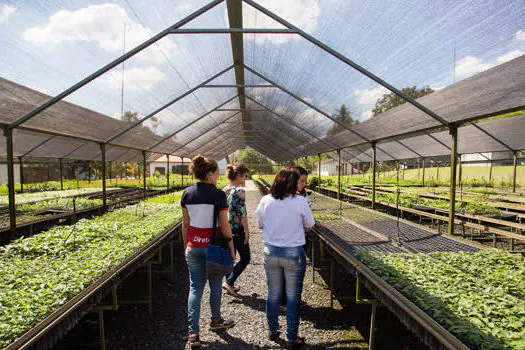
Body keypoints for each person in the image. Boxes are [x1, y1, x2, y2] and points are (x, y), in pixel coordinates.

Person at [256, 166, 315, 349]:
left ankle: (273, 330)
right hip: (293, 254)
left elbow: (260, 224)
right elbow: (310, 225)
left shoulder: (266, 200)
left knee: (273, 293)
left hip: (271, 252)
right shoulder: (299, 201)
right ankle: (291, 337)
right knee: (292, 297)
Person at [181, 155, 236, 348]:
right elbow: (224, 225)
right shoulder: (218, 195)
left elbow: (185, 224)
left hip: (193, 246)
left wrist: (185, 246)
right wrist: (231, 247)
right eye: (216, 174)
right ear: (210, 173)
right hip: (212, 247)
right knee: (214, 284)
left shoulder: (187, 194)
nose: (218, 177)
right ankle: (216, 321)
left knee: (195, 288)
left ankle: (193, 334)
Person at [280, 166, 309, 311]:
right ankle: (288, 303)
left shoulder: (300, 196)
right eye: (302, 181)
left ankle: (287, 301)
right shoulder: (296, 199)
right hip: (293, 242)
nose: (305, 184)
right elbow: (308, 223)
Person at [222, 163, 251, 296]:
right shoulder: (239, 191)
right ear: (238, 176)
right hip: (237, 229)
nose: (245, 179)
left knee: (230, 257)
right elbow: (242, 213)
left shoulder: (224, 189)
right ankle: (229, 282)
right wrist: (246, 231)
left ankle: (230, 284)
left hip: (226, 229)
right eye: (244, 176)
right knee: (245, 257)